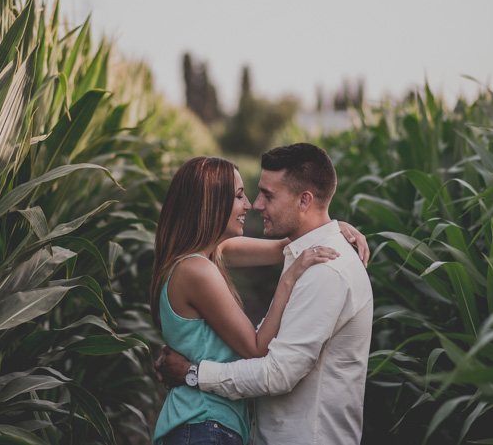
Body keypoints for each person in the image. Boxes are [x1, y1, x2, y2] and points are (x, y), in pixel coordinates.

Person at [156, 143, 374, 444]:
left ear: (304, 200)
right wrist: (324, 232)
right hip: (206, 425)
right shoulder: (199, 266)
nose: (253, 205)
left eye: (266, 195)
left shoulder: (326, 269)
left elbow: (277, 372)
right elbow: (258, 348)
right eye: (240, 195)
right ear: (210, 205)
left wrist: (332, 228)